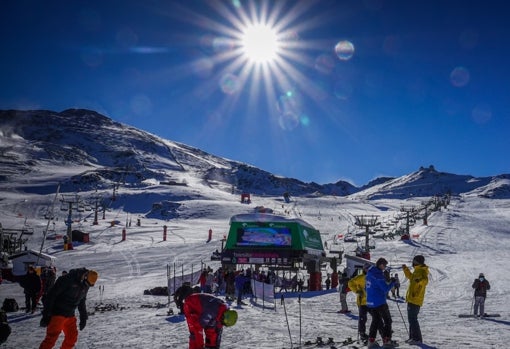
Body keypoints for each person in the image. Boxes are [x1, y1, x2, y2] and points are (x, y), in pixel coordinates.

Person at [39, 268, 98, 349]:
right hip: (57, 313)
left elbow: (82, 301)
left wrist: (83, 317)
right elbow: (51, 295)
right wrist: (46, 314)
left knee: (72, 337)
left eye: (90, 285)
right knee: (51, 339)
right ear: (85, 276)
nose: (87, 286)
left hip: (70, 315)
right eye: (87, 283)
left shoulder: (86, 285)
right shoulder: (68, 279)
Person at [366, 258, 396, 348]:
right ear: (381, 264)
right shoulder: (378, 275)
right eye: (384, 265)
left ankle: (371, 340)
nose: (384, 268)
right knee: (387, 320)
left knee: (376, 320)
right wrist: (392, 282)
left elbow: (365, 287)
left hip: (370, 302)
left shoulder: (369, 273)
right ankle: (387, 340)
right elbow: (385, 289)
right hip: (379, 302)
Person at [402, 254, 429, 345]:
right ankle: (412, 337)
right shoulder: (416, 271)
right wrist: (405, 269)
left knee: (413, 319)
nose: (413, 262)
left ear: (418, 262)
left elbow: (425, 281)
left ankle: (417, 338)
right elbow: (410, 277)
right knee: (411, 319)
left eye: (414, 261)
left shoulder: (422, 271)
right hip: (411, 298)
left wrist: (420, 280)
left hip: (415, 298)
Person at [348, 264, 371, 342]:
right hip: (362, 301)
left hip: (371, 301)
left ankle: (379, 333)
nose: (368, 270)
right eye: (367, 268)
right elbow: (350, 283)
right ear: (364, 269)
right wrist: (357, 291)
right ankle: (362, 334)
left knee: (376, 317)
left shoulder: (372, 277)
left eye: (369, 268)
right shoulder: (360, 277)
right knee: (363, 318)